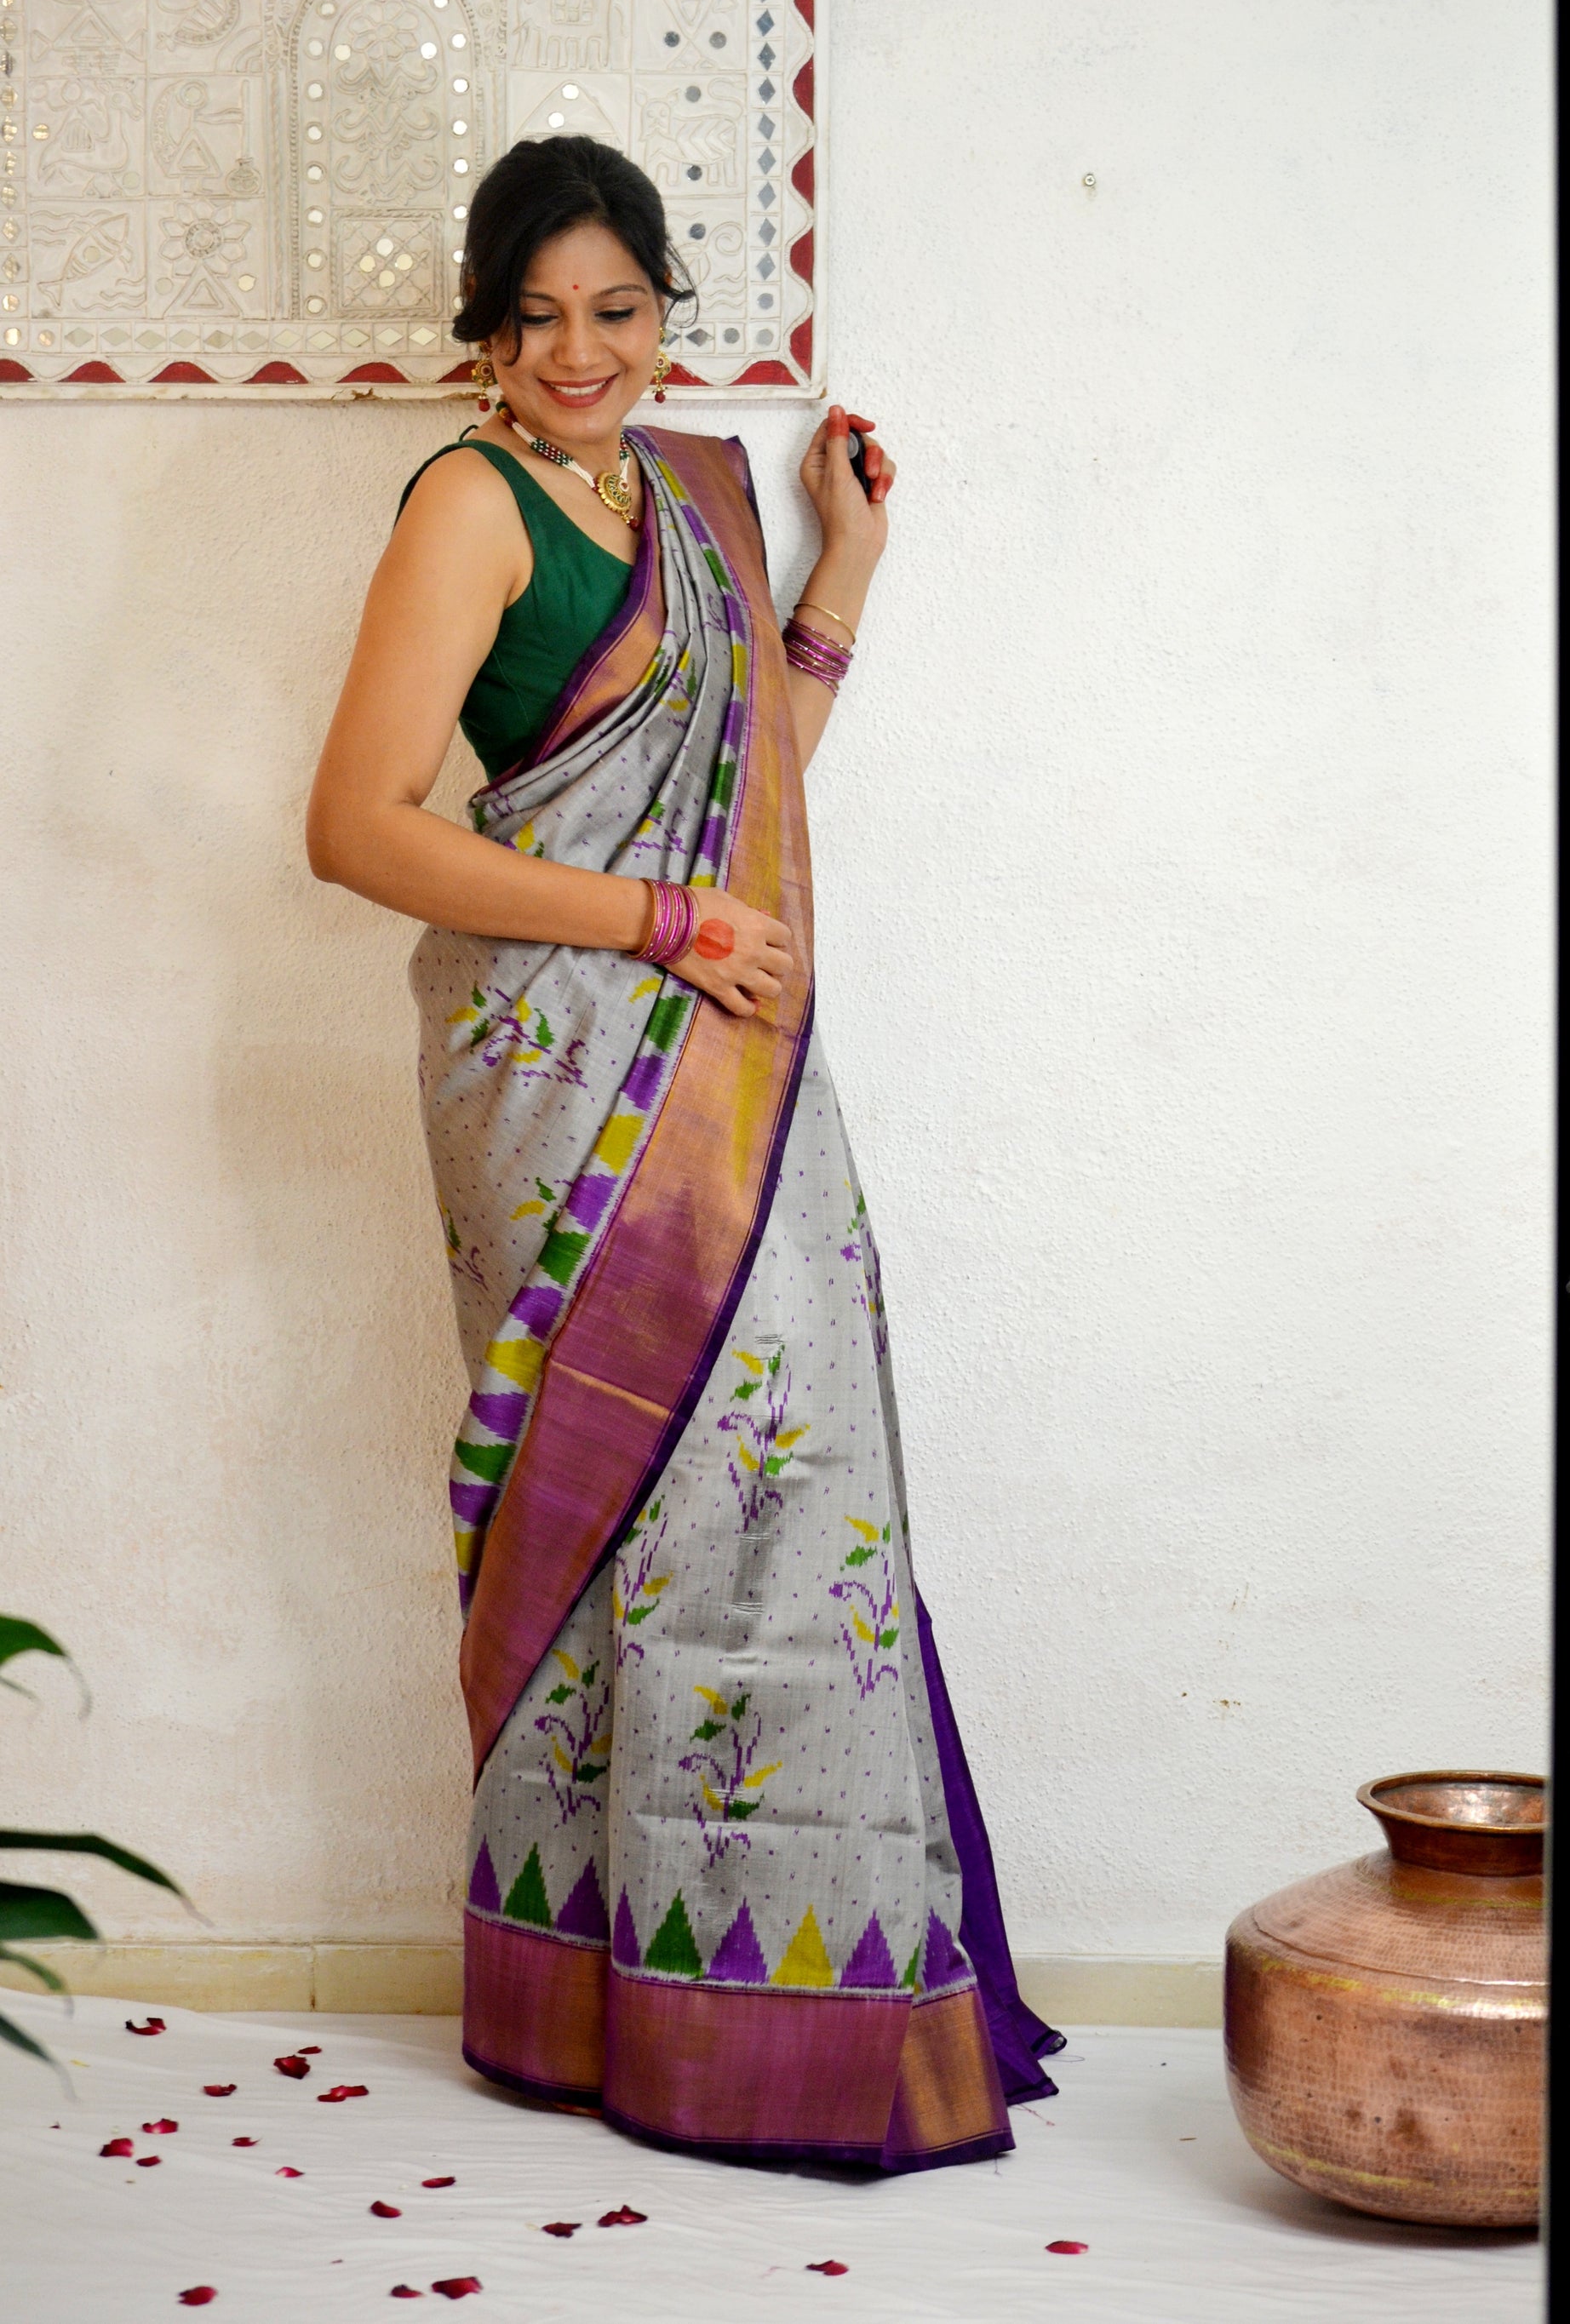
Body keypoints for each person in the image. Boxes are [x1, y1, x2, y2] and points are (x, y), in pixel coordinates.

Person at [307, 135, 1061, 2169]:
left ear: (665, 315)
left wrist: (845, 571)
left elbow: (753, 786)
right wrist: (662, 924)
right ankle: (602, 1999)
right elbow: (357, 824)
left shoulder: (686, 504)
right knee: (634, 1514)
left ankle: (744, 1996)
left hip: (720, 1046)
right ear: (484, 332)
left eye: (616, 310)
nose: (579, 350)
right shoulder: (470, 505)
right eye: (536, 315)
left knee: (782, 1498)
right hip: (563, 1070)